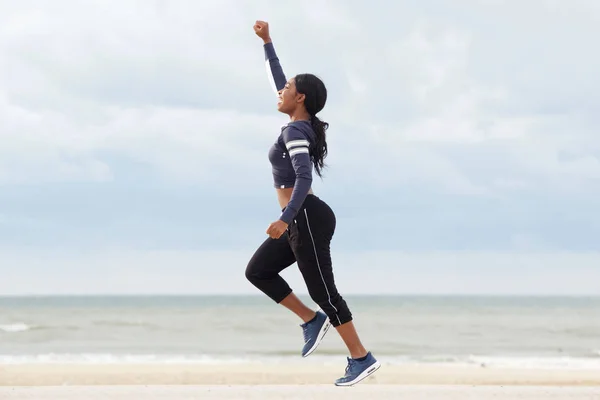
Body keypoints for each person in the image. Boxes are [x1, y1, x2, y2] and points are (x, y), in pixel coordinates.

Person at [244, 20, 380, 387]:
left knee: (323, 290)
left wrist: (285, 219)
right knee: (258, 271)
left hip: (304, 217)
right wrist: (268, 42)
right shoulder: (299, 123)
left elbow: (303, 178)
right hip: (300, 217)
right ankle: (311, 320)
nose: (280, 92)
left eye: (287, 90)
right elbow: (280, 80)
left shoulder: (294, 132)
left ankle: (361, 357)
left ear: (300, 98)